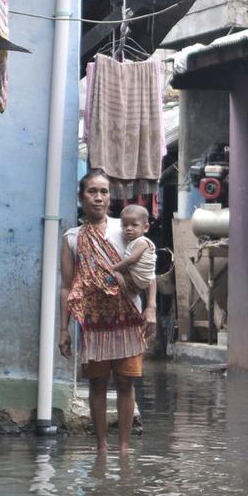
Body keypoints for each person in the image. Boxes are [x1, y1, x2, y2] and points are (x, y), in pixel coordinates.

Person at [59, 170, 157, 453]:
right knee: (98, 382)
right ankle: (102, 447)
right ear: (82, 196)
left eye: (103, 191)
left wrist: (150, 307)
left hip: (128, 317)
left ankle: (124, 449)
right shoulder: (73, 238)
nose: (99, 197)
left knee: (126, 381)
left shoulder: (126, 227)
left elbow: (148, 270)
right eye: (92, 191)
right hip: (93, 321)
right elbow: (67, 286)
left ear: (110, 197)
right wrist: (63, 329)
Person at [108, 204, 156, 292]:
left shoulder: (142, 242)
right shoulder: (133, 242)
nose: (129, 228)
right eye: (125, 225)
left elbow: (132, 259)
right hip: (139, 280)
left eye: (134, 225)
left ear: (145, 227)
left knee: (109, 278)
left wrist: (113, 268)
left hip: (138, 279)